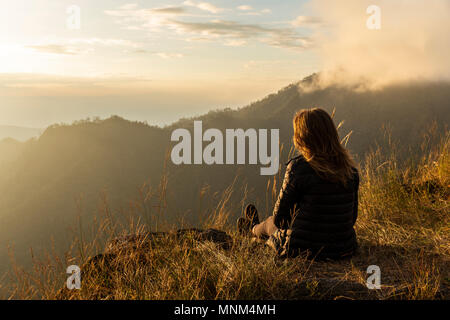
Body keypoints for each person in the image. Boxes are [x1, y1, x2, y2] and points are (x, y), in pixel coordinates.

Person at [237, 108, 359, 260]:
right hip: (343, 249)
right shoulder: (351, 171)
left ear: (302, 137)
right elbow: (351, 218)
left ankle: (253, 228)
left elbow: (280, 220)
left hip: (303, 249)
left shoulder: (299, 167)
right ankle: (253, 227)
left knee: (269, 223)